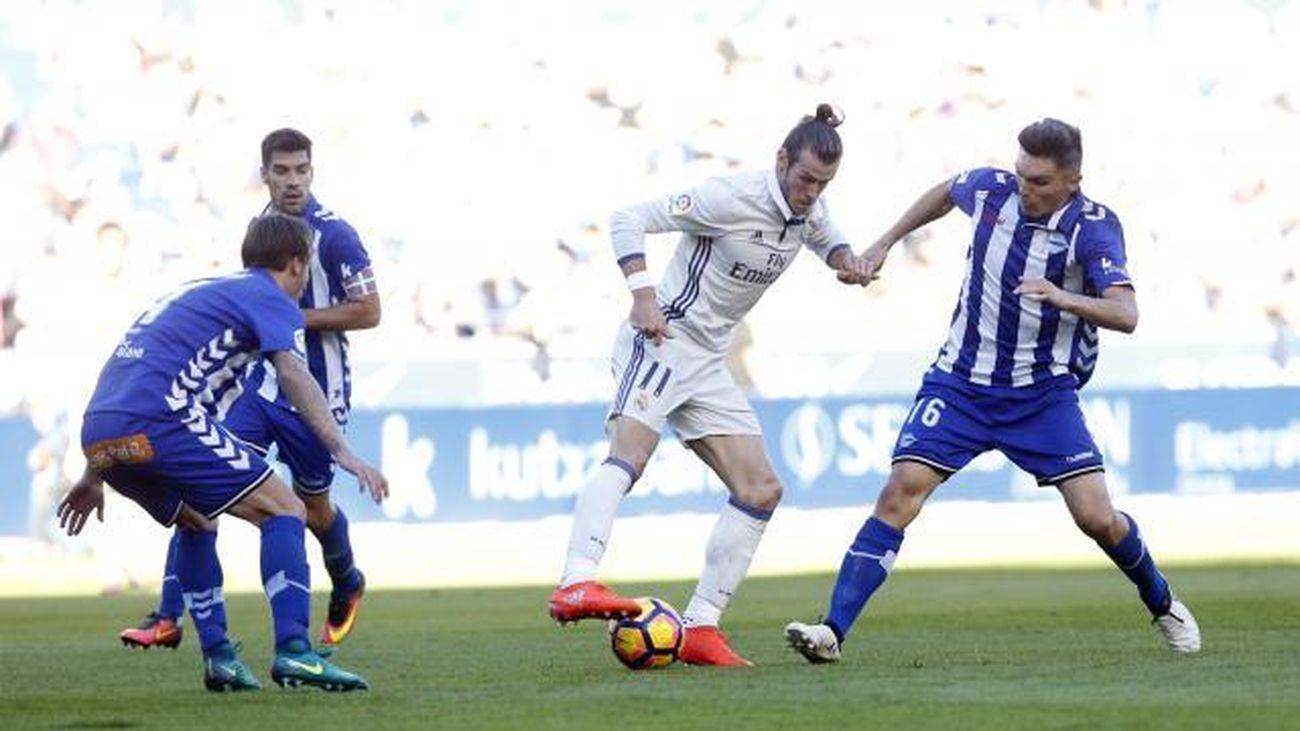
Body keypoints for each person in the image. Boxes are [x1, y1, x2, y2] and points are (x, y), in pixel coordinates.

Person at [784, 118, 1202, 663]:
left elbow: (1126, 313)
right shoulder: (992, 189)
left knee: (1098, 519)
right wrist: (885, 242)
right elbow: (944, 192)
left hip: (1040, 394)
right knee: (899, 491)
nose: (1026, 188)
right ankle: (832, 632)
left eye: (1041, 182)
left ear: (1072, 181)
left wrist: (1062, 297)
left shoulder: (1093, 227)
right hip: (960, 382)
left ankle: (1163, 600)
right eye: (1022, 174)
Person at [548, 104, 873, 666]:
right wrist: (642, 295)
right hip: (662, 338)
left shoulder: (810, 210)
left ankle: (699, 625)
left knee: (761, 490)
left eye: (823, 184)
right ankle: (576, 581)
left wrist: (850, 262)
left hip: (708, 361)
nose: (812, 193)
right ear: (780, 161)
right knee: (630, 457)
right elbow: (628, 218)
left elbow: (830, 242)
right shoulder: (729, 197)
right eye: (804, 179)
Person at [58, 213, 388, 692]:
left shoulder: (204, 291)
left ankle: (219, 659)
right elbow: (294, 374)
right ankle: (295, 651)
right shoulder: (270, 298)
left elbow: (128, 386)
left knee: (196, 520)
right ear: (297, 265)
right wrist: (343, 450)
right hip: (160, 420)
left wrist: (94, 474)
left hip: (101, 431)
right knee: (286, 509)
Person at [118, 128, 382, 651]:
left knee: (313, 508)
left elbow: (370, 310)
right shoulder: (260, 230)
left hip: (316, 391)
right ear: (263, 173)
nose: (291, 181)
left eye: (300, 170)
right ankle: (169, 616)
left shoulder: (336, 235)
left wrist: (287, 319)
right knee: (201, 490)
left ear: (313, 171)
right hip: (260, 391)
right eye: (280, 171)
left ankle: (347, 578)